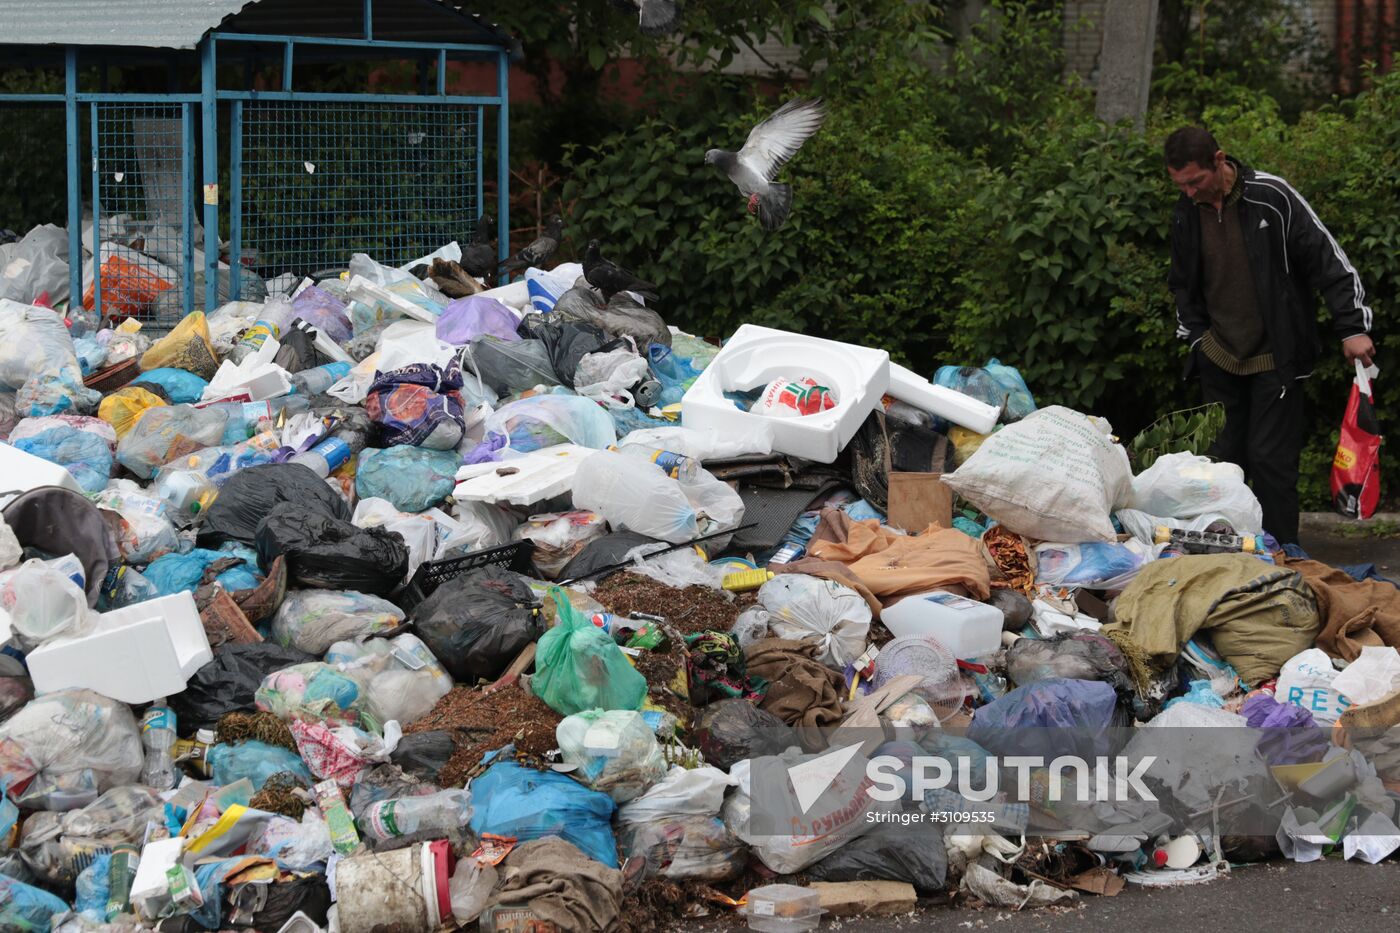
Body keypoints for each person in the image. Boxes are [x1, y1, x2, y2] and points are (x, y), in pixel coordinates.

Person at [1164, 126, 1375, 545]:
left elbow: (1328, 259)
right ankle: (1234, 555)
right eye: (1180, 185)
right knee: (1224, 465)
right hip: (1219, 353)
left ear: (1219, 161)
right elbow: (1181, 284)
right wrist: (1197, 340)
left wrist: (1352, 327)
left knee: (1271, 461)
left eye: (1195, 181)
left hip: (1276, 356)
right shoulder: (1185, 213)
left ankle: (1284, 556)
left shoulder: (1272, 197)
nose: (1188, 192)